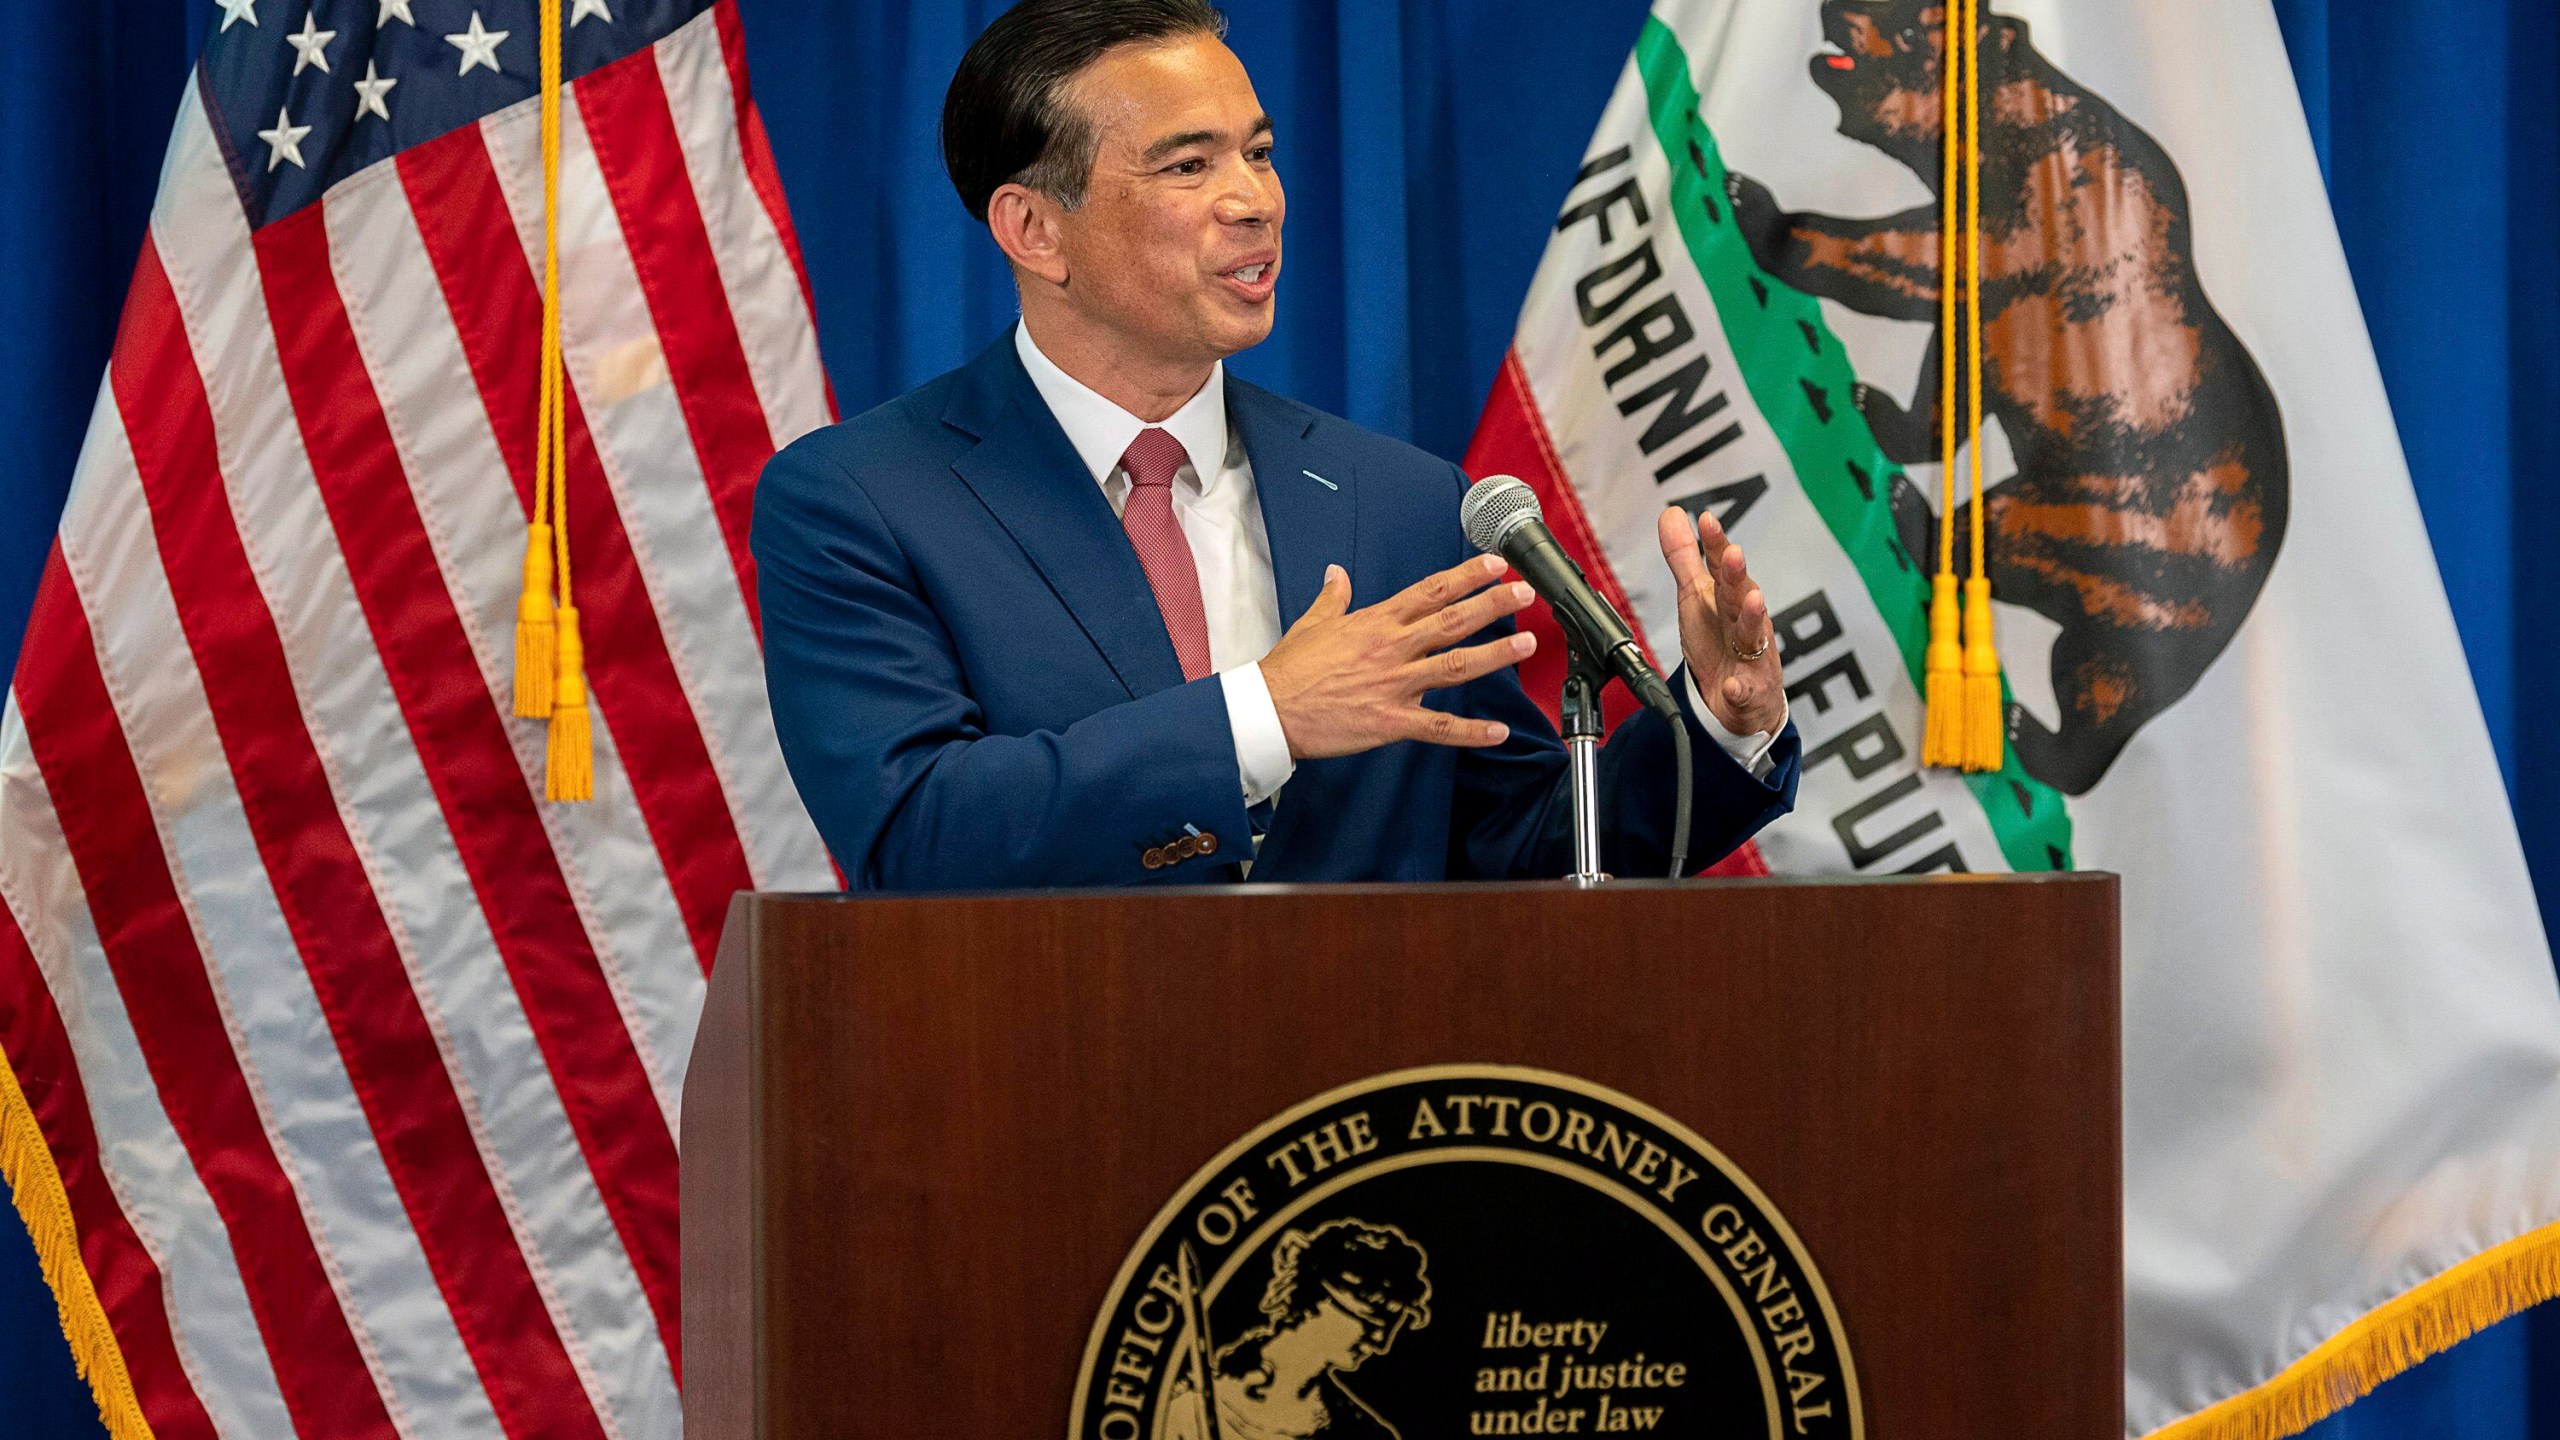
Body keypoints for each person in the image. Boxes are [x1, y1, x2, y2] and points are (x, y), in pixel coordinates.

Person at [752, 0, 1800, 891]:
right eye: (1188, 164)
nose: (1255, 200)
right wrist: (1264, 716)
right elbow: (914, 834)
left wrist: (1718, 723)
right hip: (1050, 1096)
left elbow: (1513, 849)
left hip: (1366, 1113)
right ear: (1033, 230)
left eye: (1257, 151)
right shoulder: (862, 499)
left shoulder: (1397, 499)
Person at [1158, 1220, 1430, 1440]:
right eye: (1370, 1321)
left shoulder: (1362, 1434)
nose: (1380, 1343)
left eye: (1387, 1328)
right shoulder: (1190, 1400)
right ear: (1321, 1301)